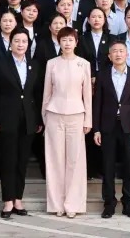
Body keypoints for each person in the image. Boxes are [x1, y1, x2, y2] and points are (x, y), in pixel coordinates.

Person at [0, 28, 42, 219]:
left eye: (24, 41)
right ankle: (7, 200)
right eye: (16, 41)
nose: (20, 44)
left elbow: (36, 94)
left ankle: (18, 198)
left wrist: (38, 119)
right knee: (8, 161)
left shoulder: (34, 65)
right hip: (6, 120)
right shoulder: (0, 64)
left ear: (28, 44)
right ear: (10, 44)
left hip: (28, 120)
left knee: (22, 162)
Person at [42, 27, 93, 218]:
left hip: (77, 114)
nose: (67, 43)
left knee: (75, 161)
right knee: (55, 160)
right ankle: (57, 204)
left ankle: (73, 204)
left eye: (70, 40)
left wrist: (88, 119)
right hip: (54, 113)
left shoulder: (84, 64)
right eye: (63, 40)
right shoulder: (52, 64)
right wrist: (45, 117)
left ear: (76, 42)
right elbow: (47, 93)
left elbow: (87, 95)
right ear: (59, 42)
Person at [93, 41, 130, 219]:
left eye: (121, 51)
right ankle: (109, 204)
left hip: (129, 127)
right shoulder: (102, 75)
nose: (118, 54)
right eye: (114, 51)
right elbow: (97, 103)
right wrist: (96, 129)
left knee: (129, 166)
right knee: (107, 166)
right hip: (108, 126)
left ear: (127, 54)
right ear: (109, 56)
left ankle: (128, 203)